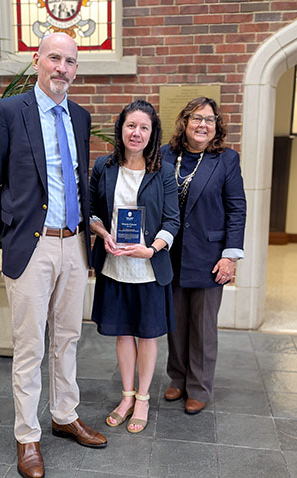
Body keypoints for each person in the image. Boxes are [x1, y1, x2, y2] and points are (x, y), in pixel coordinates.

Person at [0, 32, 107, 478]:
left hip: (74, 245)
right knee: (30, 345)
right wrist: (14, 229)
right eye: (55, 58)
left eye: (70, 61)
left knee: (68, 338)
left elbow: (78, 178)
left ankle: (64, 415)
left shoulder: (81, 116)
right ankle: (27, 435)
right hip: (32, 245)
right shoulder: (8, 112)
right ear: (38, 60)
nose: (62, 68)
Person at [89, 100, 180, 433]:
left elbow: (172, 220)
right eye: (131, 126)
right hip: (114, 266)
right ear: (121, 128)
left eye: (144, 127)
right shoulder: (104, 166)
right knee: (123, 333)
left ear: (152, 132)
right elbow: (92, 211)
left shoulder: (163, 171)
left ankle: (142, 398)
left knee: (148, 335)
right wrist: (102, 232)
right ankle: (126, 396)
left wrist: (152, 249)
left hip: (149, 269)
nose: (136, 133)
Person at [161, 97, 246, 415]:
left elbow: (237, 208)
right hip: (170, 254)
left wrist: (230, 256)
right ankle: (178, 378)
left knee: (203, 326)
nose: (202, 125)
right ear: (184, 122)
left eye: (209, 120)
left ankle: (199, 387)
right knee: (176, 322)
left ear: (216, 127)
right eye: (197, 118)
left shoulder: (226, 160)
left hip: (210, 256)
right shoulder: (167, 156)